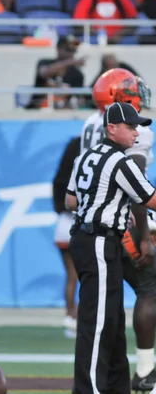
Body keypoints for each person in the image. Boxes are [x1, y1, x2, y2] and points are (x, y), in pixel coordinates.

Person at [66, 101, 156, 394]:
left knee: (113, 321)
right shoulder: (120, 161)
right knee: (98, 324)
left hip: (92, 238)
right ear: (112, 128)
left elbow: (70, 200)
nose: (136, 134)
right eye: (130, 127)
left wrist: (106, 204)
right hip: (99, 241)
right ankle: (89, 390)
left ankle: (116, 388)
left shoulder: (86, 156)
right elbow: (149, 198)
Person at [52, 135, 81, 338]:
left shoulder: (62, 176)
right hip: (77, 224)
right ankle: (76, 317)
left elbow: (59, 199)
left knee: (70, 276)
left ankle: (69, 315)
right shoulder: (85, 170)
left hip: (63, 223)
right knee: (80, 275)